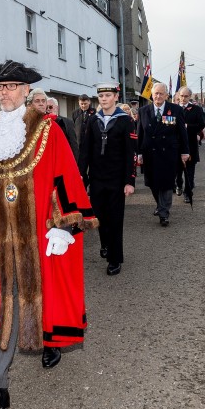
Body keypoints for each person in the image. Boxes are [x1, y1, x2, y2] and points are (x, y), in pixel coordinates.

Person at [0, 60, 98, 409]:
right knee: (4, 306)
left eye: (10, 86)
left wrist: (66, 226)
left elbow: (65, 177)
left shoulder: (47, 130)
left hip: (38, 235)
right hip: (1, 239)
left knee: (43, 299)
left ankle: (49, 342)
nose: (3, 92)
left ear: (26, 91)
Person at [79, 82, 137, 276]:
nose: (103, 99)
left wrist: (130, 181)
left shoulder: (125, 120)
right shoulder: (93, 120)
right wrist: (82, 176)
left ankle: (114, 259)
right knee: (98, 217)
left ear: (115, 97)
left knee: (115, 219)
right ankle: (105, 243)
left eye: (107, 96)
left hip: (117, 179)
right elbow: (85, 150)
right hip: (97, 178)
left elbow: (131, 153)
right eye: (101, 96)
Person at [137, 82, 189, 227]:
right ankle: (160, 206)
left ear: (166, 95)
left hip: (168, 153)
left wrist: (185, 151)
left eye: (161, 93)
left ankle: (164, 213)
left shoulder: (176, 110)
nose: (158, 96)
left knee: (166, 184)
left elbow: (182, 133)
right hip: (149, 153)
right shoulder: (143, 111)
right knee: (153, 183)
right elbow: (139, 133)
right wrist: (139, 153)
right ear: (151, 95)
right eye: (155, 94)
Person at [176, 86, 204, 203]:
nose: (183, 98)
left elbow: (202, 124)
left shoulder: (196, 109)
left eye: (186, 96)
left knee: (189, 170)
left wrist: (189, 127)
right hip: (176, 145)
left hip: (190, 144)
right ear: (178, 96)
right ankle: (179, 184)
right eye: (181, 96)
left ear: (190, 97)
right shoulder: (173, 108)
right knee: (178, 170)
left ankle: (188, 192)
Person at [46, 97, 80, 163]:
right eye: (46, 108)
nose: (48, 110)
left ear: (57, 107)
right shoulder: (41, 123)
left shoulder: (67, 122)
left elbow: (73, 145)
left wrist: (74, 164)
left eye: (50, 107)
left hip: (63, 161)